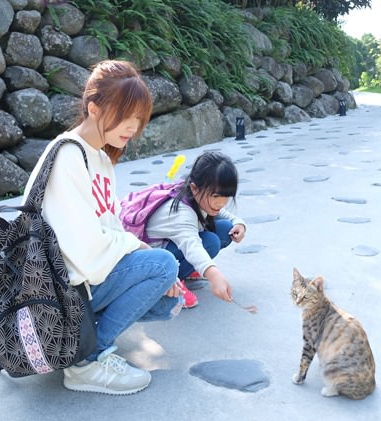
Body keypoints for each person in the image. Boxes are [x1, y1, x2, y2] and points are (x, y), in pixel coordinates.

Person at [23, 60, 182, 395]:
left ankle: (83, 340)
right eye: (126, 116)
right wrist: (140, 251)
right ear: (94, 108)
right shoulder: (68, 155)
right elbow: (83, 249)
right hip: (58, 290)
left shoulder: (100, 157)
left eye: (139, 118)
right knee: (162, 265)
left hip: (83, 279)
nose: (133, 127)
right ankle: (85, 362)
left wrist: (139, 252)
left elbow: (110, 227)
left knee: (166, 294)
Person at [144, 150, 246, 308]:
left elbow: (221, 213)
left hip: (170, 244)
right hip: (152, 261)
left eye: (227, 196)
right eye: (216, 196)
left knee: (227, 228)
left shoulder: (196, 196)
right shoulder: (181, 213)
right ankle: (171, 282)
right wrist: (214, 274)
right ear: (194, 188)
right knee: (210, 242)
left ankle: (188, 268)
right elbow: (192, 246)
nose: (221, 203)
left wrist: (238, 223)